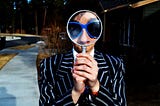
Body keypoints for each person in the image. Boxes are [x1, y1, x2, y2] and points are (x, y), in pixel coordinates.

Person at [38, 10, 127, 106]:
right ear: (69, 31)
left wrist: (96, 87)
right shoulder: (50, 65)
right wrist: (75, 93)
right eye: (76, 29)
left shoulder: (115, 64)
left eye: (92, 28)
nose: (83, 39)